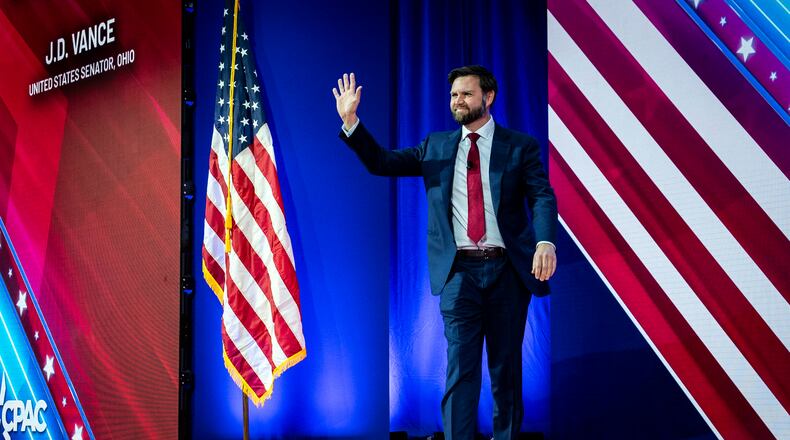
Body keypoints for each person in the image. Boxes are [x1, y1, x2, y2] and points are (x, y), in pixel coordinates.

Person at [332, 65, 557, 440]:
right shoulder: (435, 146)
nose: (457, 101)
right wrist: (352, 121)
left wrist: (545, 242)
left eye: (466, 94)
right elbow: (381, 162)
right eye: (454, 95)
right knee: (461, 373)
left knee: (506, 372)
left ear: (488, 97)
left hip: (507, 274)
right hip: (459, 275)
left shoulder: (519, 146)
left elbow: (542, 196)